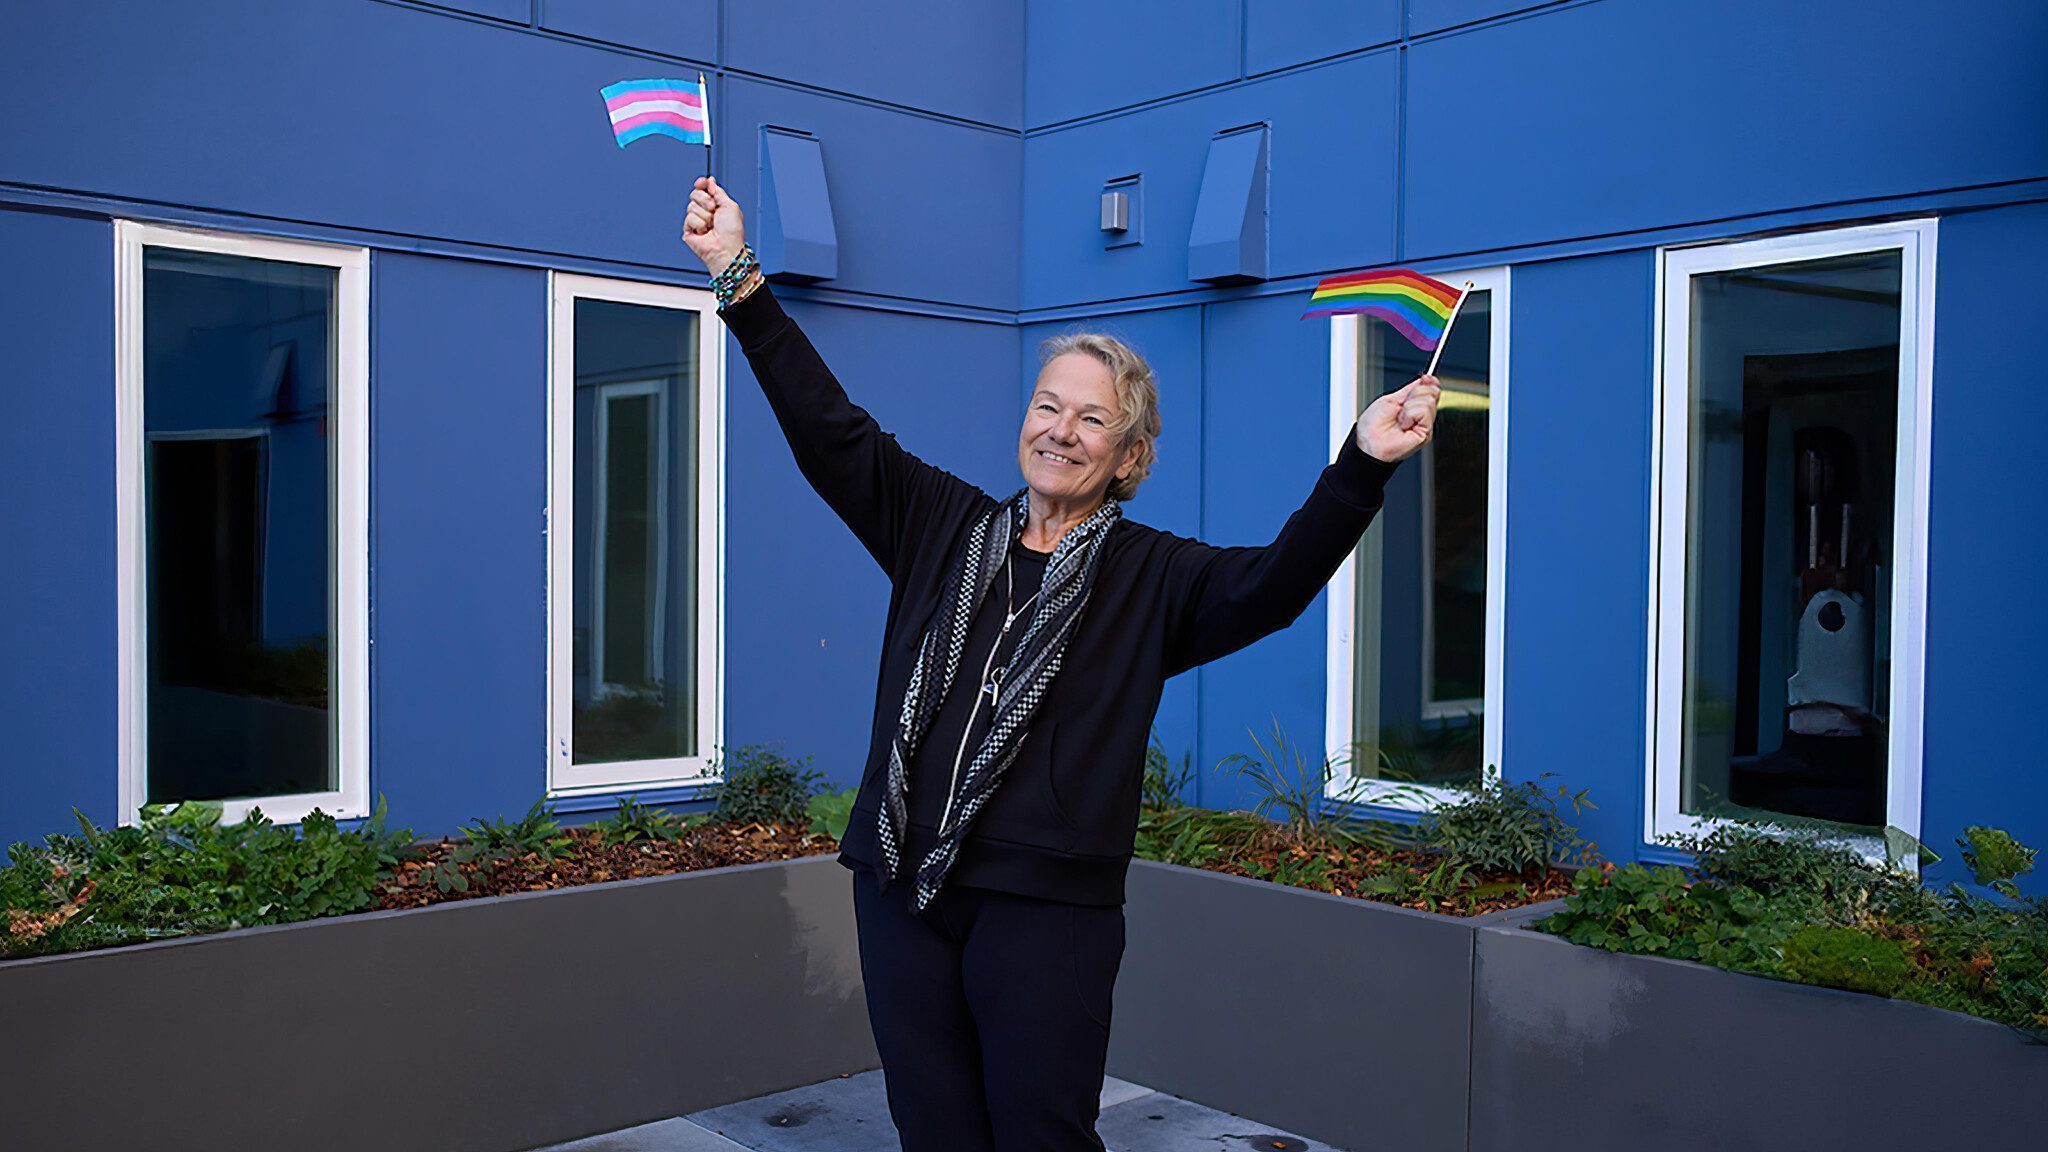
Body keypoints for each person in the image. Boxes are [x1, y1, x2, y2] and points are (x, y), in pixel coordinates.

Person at [682, 175, 1438, 1152]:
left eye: (1091, 421)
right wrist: (735, 275)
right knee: (935, 1131)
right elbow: (828, 430)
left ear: (1127, 456)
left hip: (1045, 911)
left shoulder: (1151, 576)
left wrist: (1359, 466)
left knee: (1040, 1136)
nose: (1060, 432)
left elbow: (1273, 586)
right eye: (1049, 407)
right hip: (901, 887)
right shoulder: (938, 525)